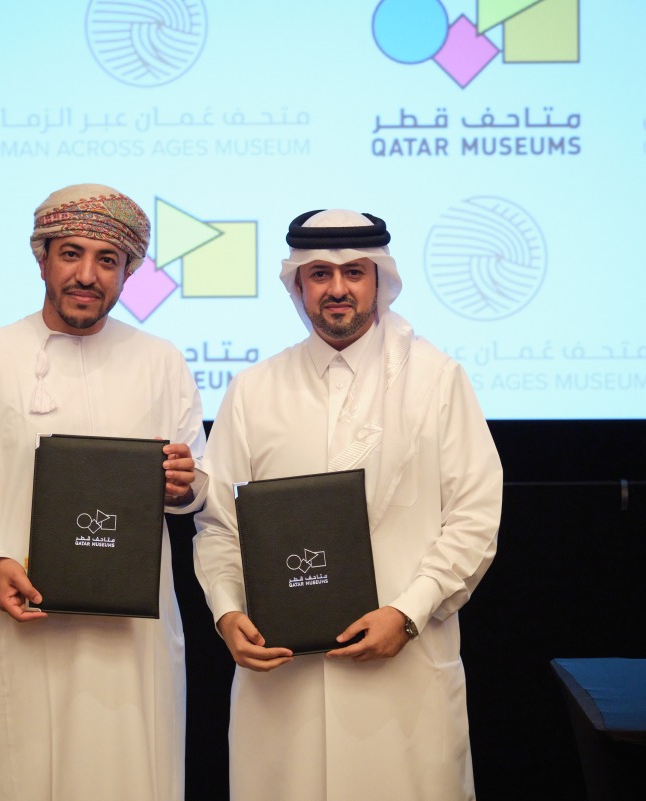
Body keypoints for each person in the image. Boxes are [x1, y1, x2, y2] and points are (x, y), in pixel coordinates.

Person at [0, 182, 207, 801]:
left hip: (128, 647)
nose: (87, 275)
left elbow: (195, 484)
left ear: (128, 273)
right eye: (71, 254)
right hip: (15, 631)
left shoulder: (161, 361)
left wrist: (183, 485)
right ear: (41, 257)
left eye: (107, 260)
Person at [192, 208, 503, 801]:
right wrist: (228, 613)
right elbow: (219, 525)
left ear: (379, 279)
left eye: (354, 272)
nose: (337, 289)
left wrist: (408, 614)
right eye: (318, 274)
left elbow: (474, 517)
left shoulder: (437, 380)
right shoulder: (254, 390)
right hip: (282, 680)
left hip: (402, 672)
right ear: (298, 285)